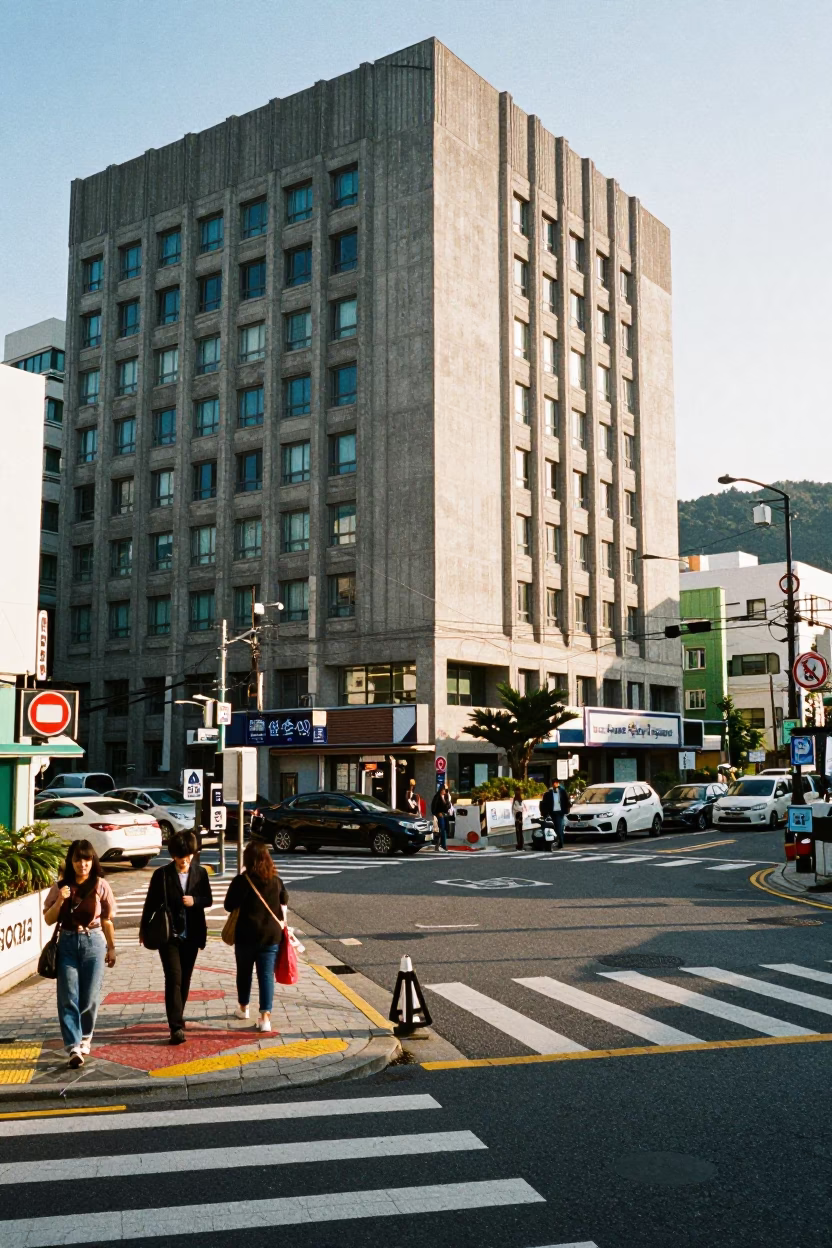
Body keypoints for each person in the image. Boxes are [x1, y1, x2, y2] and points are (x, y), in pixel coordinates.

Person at [42, 840, 117, 1068]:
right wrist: (61, 899)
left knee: (90, 996)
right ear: (71, 861)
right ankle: (73, 1045)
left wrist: (112, 947)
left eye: (86, 859)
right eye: (77, 859)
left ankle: (86, 1037)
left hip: (93, 941)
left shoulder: (101, 885)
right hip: (66, 941)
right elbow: (48, 918)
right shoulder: (61, 886)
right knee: (68, 995)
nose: (82, 864)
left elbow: (107, 919)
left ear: (92, 860)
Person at [139, 830, 213, 1045]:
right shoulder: (161, 875)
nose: (185, 860)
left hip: (192, 934)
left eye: (188, 855)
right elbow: (150, 904)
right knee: (173, 978)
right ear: (173, 855)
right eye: (180, 856)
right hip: (168, 935)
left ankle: (177, 1015)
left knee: (185, 979)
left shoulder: (200, 873)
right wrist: (143, 929)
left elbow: (208, 899)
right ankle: (176, 1027)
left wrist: (195, 901)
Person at [224, 840, 288, 1033]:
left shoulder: (242, 881)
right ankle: (265, 1018)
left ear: (247, 859)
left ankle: (243, 1008)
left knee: (244, 972)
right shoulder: (276, 881)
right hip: (270, 937)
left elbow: (228, 905)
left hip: (246, 935)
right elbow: (284, 899)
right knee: (266, 975)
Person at [539, 777, 571, 849]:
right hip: (552, 812)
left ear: (558, 783)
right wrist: (544, 812)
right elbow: (545, 803)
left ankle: (560, 842)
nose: (555, 784)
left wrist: (567, 809)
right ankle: (558, 842)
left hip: (560, 812)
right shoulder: (548, 793)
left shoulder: (562, 791)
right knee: (557, 827)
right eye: (554, 783)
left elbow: (566, 801)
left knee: (559, 827)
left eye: (556, 783)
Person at [430, 784, 453, 852]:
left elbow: (448, 806)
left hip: (445, 815)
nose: (444, 791)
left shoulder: (446, 797)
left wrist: (448, 799)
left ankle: (438, 844)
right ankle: (444, 845)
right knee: (442, 829)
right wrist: (437, 813)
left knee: (444, 830)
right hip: (439, 815)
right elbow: (433, 807)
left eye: (445, 790)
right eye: (443, 790)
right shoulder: (437, 797)